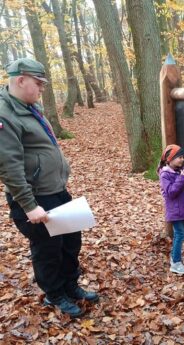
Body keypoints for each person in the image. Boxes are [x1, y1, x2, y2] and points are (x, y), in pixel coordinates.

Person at [0, 58, 99, 318]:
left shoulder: (30, 106)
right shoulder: (4, 114)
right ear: (20, 80)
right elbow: (9, 167)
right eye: (38, 83)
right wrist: (29, 206)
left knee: (70, 241)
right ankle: (55, 295)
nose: (42, 88)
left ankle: (70, 286)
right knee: (47, 249)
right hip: (36, 197)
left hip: (55, 190)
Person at [157, 144, 184, 275]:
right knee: (180, 234)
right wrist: (182, 178)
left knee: (180, 234)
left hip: (181, 209)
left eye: (183, 157)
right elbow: (171, 193)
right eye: (179, 157)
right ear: (170, 159)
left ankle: (175, 259)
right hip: (175, 211)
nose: (182, 160)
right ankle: (176, 262)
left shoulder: (178, 171)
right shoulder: (165, 175)